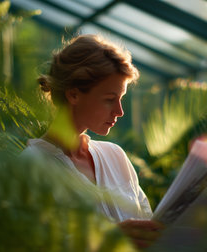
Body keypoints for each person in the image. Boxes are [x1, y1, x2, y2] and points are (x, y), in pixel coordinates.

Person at [22, 34, 163, 249]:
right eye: (109, 99)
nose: (120, 111)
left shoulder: (116, 157)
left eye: (121, 99)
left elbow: (149, 231)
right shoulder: (31, 166)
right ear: (74, 95)